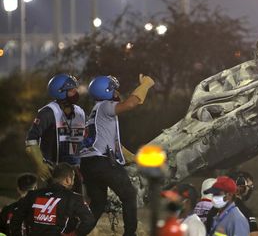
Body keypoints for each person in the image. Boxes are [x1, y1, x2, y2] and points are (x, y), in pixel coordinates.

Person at [79, 74, 154, 236]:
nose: (117, 92)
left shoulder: (95, 112)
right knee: (129, 195)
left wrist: (133, 157)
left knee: (98, 203)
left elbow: (112, 143)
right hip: (101, 162)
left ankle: (76, 234)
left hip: (87, 163)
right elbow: (131, 104)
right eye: (114, 89)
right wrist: (145, 85)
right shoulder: (105, 106)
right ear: (106, 92)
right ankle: (130, 234)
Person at [25, 74, 86, 192]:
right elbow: (31, 141)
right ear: (60, 92)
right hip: (52, 172)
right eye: (71, 90)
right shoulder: (47, 113)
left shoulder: (80, 112)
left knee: (75, 207)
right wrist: (40, 164)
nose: (76, 92)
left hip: (74, 172)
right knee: (51, 207)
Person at [10, 163, 94, 236]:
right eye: (73, 179)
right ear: (68, 179)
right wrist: (74, 234)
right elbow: (89, 221)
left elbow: (15, 219)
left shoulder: (32, 195)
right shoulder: (73, 198)